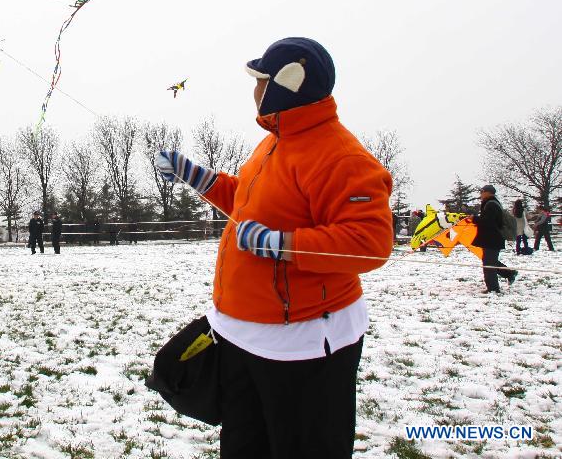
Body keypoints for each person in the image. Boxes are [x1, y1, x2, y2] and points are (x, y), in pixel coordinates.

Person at [155, 37, 393, 458]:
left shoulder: (341, 157)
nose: (254, 89)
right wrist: (195, 176)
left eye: (260, 79)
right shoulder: (274, 141)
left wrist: (280, 245)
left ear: (286, 84)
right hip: (242, 335)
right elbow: (248, 202)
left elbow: (369, 243)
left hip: (303, 344)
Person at [471, 185, 516, 292]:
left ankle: (493, 289)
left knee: (488, 264)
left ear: (488, 192)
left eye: (482, 192)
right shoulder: (492, 203)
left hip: (492, 239)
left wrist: (474, 219)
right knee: (490, 261)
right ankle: (509, 273)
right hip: (492, 238)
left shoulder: (491, 205)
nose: (480, 194)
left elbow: (489, 222)